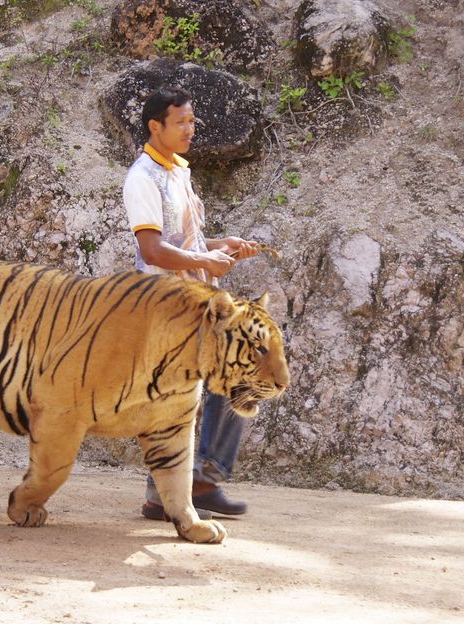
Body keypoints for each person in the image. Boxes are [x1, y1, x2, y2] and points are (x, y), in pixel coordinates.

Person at [122, 86, 259, 521]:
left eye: (191, 121)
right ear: (155, 126)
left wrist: (222, 245)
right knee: (179, 393)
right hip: (165, 305)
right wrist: (204, 260)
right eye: (180, 122)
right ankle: (189, 484)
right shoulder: (142, 178)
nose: (189, 129)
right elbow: (152, 249)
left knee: (212, 381)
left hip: (194, 301)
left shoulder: (177, 171)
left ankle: (189, 484)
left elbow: (186, 242)